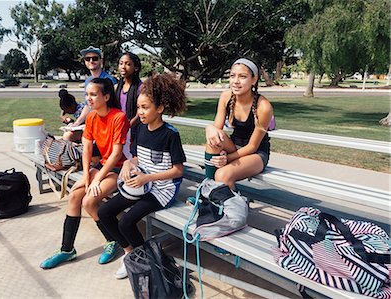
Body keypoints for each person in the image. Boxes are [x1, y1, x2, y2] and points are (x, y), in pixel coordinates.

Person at [98, 73, 187, 279]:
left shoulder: (170, 134)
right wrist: (128, 163)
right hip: (141, 184)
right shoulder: (140, 129)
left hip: (162, 190)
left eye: (145, 107)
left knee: (126, 222)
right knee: (105, 213)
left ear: (160, 109)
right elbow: (137, 158)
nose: (140, 112)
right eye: (138, 107)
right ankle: (130, 254)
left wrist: (147, 178)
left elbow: (178, 171)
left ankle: (145, 261)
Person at [40, 78, 129, 269]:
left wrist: (96, 178)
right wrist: (88, 175)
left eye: (93, 94)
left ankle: (113, 241)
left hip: (121, 168)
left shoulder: (118, 117)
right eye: (87, 94)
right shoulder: (91, 117)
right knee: (74, 196)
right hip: (102, 167)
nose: (89, 98)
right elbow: (86, 149)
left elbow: (116, 154)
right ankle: (67, 250)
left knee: (89, 201)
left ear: (106, 96)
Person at [204, 57, 273, 190]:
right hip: (235, 146)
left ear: (254, 79)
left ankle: (229, 205)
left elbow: (252, 146)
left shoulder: (263, 107)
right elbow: (216, 130)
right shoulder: (226, 96)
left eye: (242, 76)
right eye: (232, 76)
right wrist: (209, 128)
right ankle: (207, 192)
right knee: (214, 138)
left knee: (223, 175)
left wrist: (227, 158)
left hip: (256, 154)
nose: (235, 81)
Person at [67, 46, 118, 130]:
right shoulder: (88, 81)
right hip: (91, 122)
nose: (91, 61)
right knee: (68, 135)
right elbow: (88, 106)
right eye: (87, 59)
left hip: (105, 124)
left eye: (94, 58)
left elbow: (113, 105)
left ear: (101, 60)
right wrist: (77, 123)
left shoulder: (109, 80)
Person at [115, 52, 143, 157]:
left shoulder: (141, 88)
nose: (123, 67)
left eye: (128, 64)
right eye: (121, 63)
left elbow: (140, 113)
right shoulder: (117, 87)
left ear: (135, 68)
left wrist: (128, 126)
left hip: (134, 131)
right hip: (119, 129)